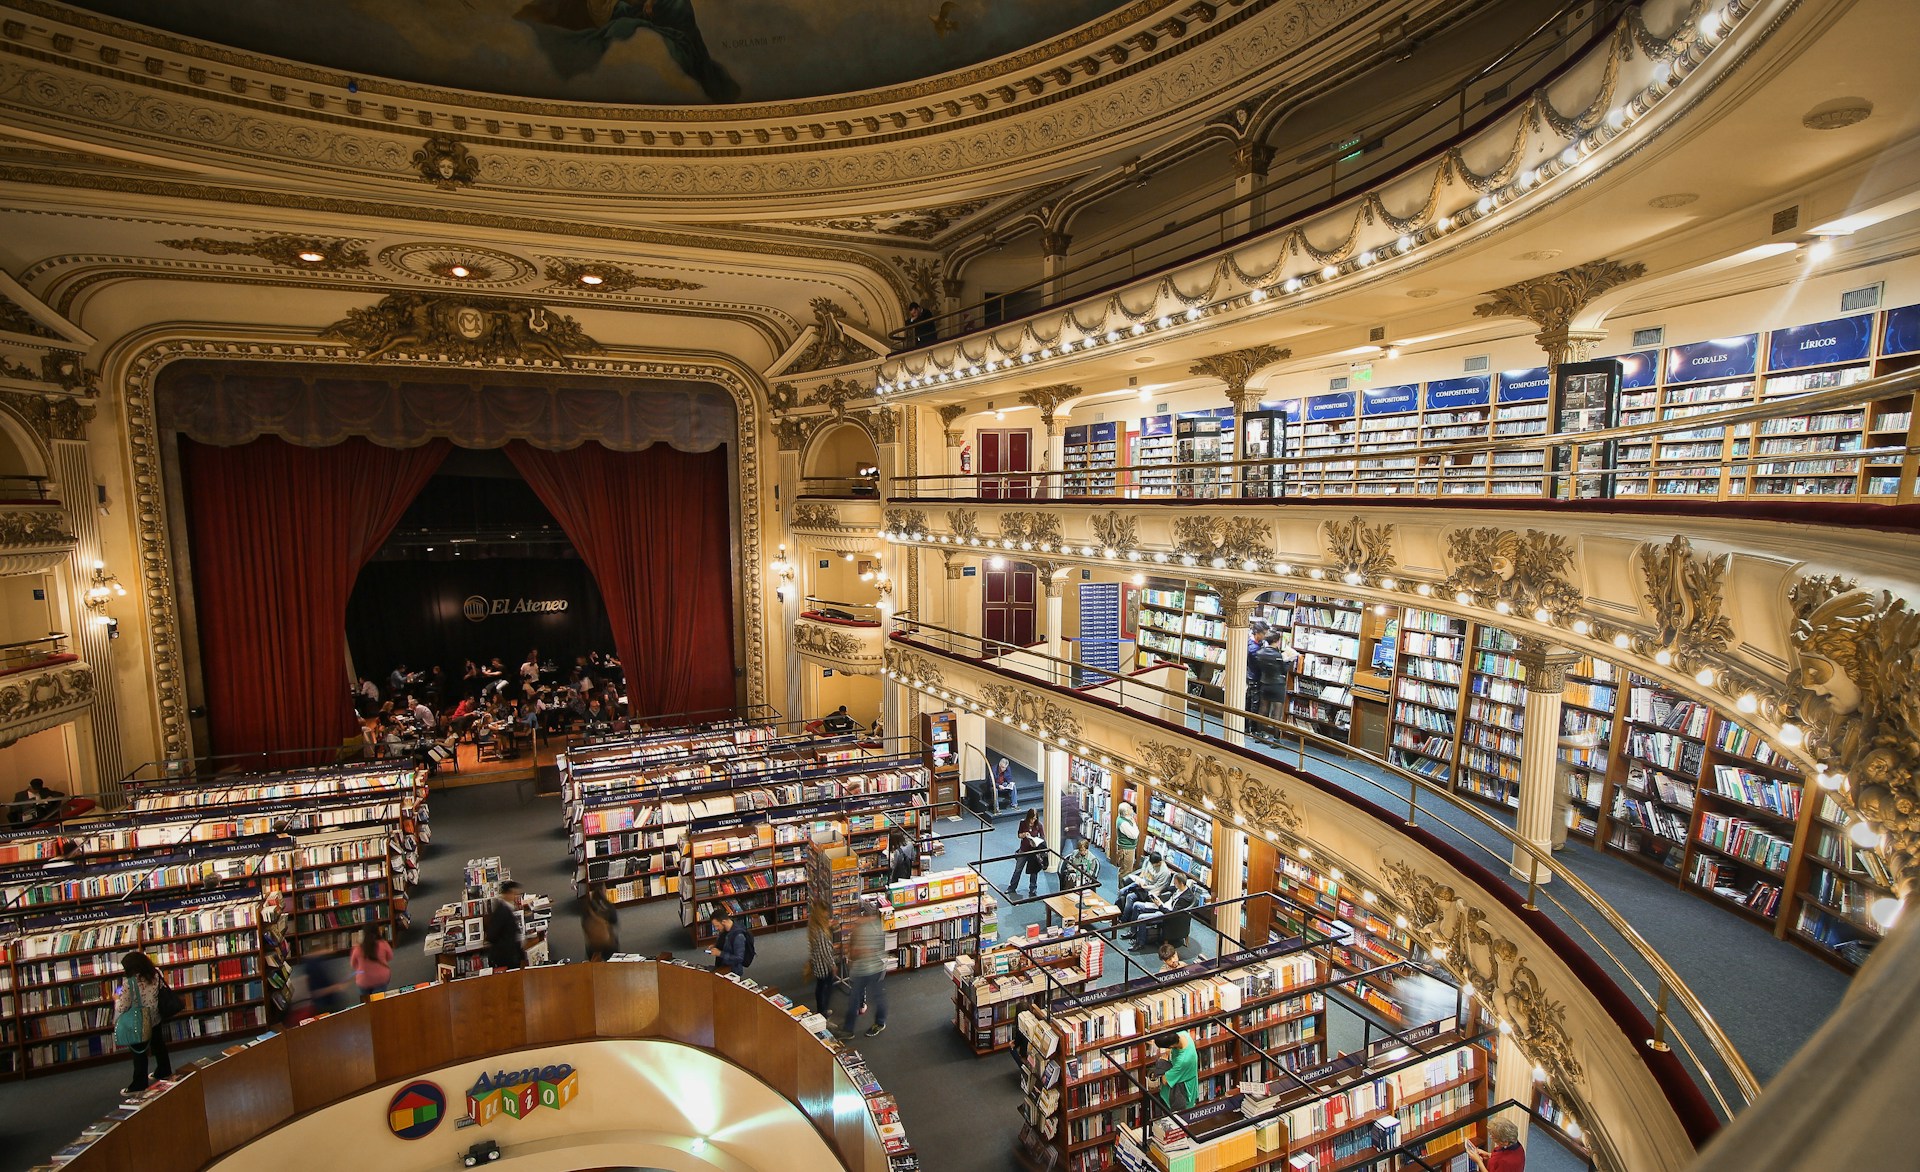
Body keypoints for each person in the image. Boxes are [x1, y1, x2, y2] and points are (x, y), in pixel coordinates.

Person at [113, 952, 172, 1093]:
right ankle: (163, 1071)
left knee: (139, 1053)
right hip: (155, 1016)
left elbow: (123, 1006)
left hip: (138, 1021)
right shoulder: (156, 973)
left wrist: (116, 998)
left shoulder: (130, 982)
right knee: (159, 1045)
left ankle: (139, 1084)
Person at [841, 903, 888, 1038]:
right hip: (869, 969)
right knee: (860, 998)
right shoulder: (877, 926)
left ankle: (850, 1029)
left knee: (865, 998)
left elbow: (857, 951)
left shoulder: (865, 929)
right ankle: (850, 1029)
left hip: (870, 970)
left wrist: (852, 957)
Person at [1121, 870, 1202, 947]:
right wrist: (1158, 892)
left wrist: (1159, 905)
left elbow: (1171, 914)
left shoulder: (1184, 899)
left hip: (1166, 915)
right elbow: (1168, 888)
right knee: (1136, 905)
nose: (1174, 884)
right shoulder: (1180, 888)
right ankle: (1133, 932)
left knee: (1141, 918)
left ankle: (1140, 943)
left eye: (1175, 883)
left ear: (1181, 883)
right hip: (1163, 906)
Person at [1145, 1030, 1200, 1113]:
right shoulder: (1182, 1034)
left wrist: (1162, 1063)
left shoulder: (1183, 1061)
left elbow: (1165, 1080)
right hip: (1179, 1076)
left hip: (1181, 1090)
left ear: (1171, 1046)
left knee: (1179, 1115)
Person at [486, 881, 528, 970]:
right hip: (506, 957)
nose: (516, 896)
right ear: (506, 894)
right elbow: (491, 936)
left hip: (511, 954)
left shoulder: (507, 908)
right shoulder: (501, 911)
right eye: (514, 893)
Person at [806, 910, 839, 1015]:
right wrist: (833, 966)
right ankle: (823, 1012)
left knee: (820, 987)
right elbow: (826, 952)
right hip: (824, 967)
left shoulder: (814, 930)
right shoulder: (822, 934)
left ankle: (821, 1010)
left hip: (817, 964)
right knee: (827, 988)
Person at [349, 926, 393, 1002]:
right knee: (379, 1003)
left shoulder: (357, 948)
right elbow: (390, 957)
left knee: (366, 1004)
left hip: (363, 980)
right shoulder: (383, 944)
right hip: (381, 978)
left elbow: (353, 964)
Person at [581, 883, 620, 961]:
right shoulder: (608, 906)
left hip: (593, 946)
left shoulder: (586, 907)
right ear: (603, 891)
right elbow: (614, 921)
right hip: (609, 945)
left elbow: (584, 925)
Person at [1011, 811, 1046, 898]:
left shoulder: (1039, 825)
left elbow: (1042, 837)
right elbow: (1019, 835)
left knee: (1033, 871)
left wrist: (1035, 840)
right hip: (1023, 850)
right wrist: (1023, 835)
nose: (1033, 820)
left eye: (1035, 818)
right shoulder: (1023, 823)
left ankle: (1033, 889)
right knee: (1018, 869)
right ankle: (1012, 887)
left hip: (1033, 851)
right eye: (1032, 818)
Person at [1113, 801, 1140, 875]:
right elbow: (1134, 835)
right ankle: (1122, 886)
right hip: (1126, 849)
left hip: (1128, 848)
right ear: (1126, 812)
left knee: (1126, 869)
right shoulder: (1123, 823)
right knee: (1126, 871)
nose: (1131, 808)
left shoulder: (1125, 818)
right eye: (1129, 808)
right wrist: (1134, 824)